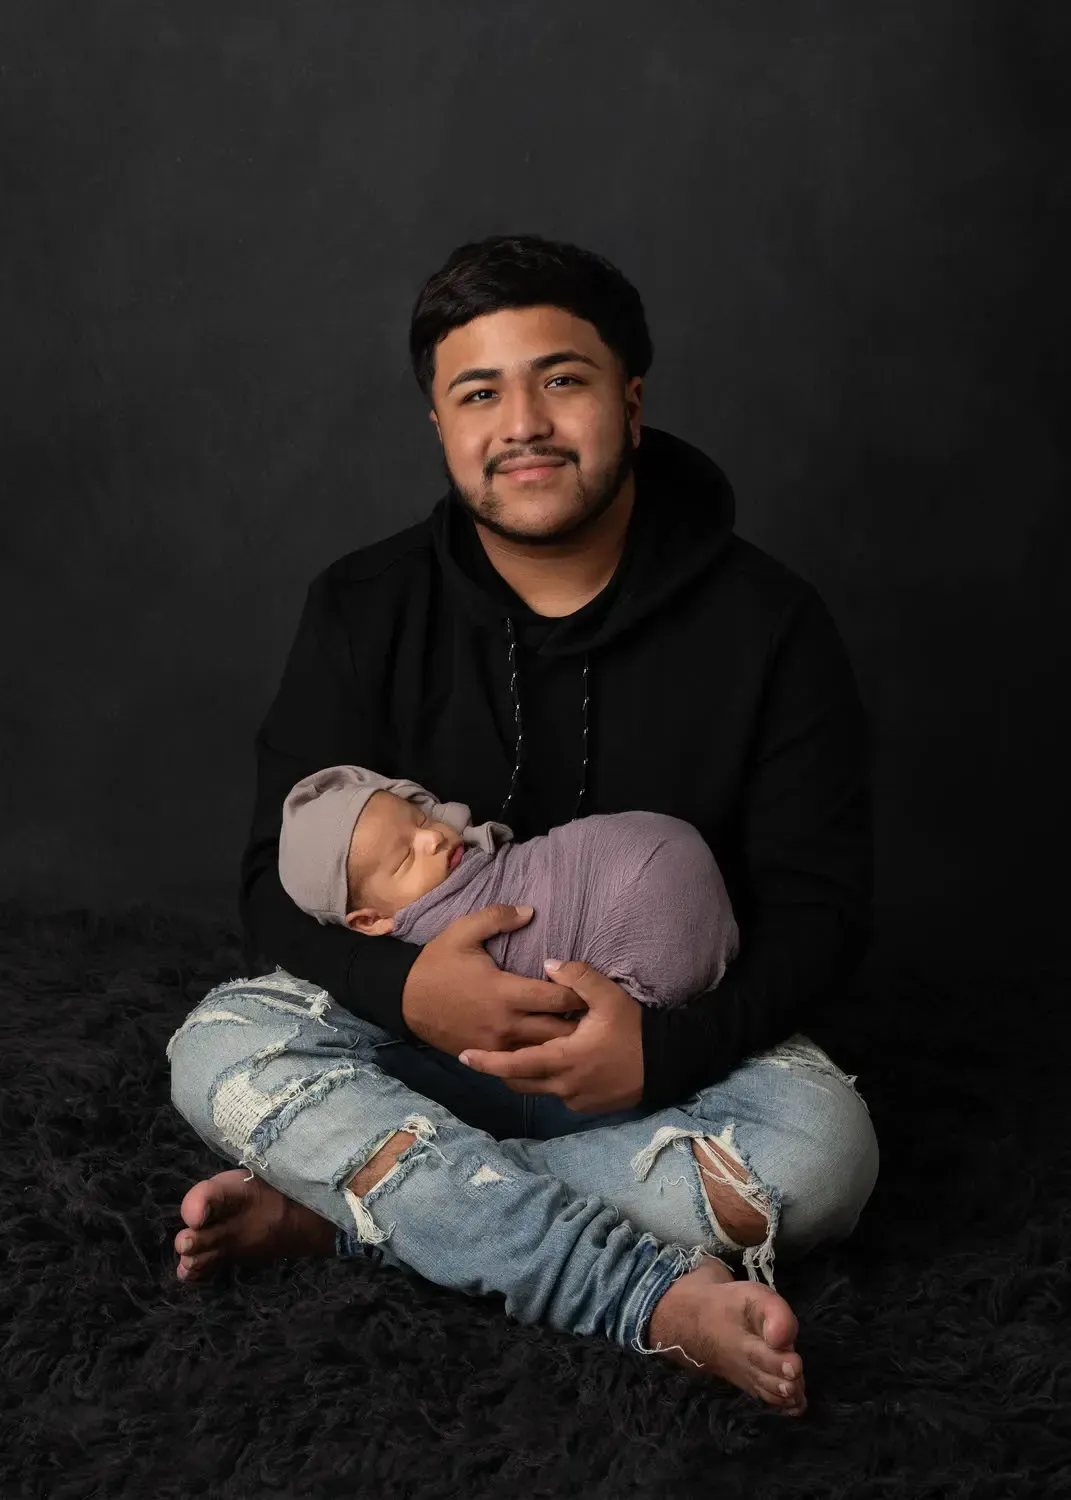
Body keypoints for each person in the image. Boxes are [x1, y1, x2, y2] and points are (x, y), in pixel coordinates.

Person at [168, 233, 880, 1417]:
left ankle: (358, 1211)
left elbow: (823, 913)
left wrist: (666, 1052)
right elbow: (263, 883)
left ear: (631, 402)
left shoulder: (773, 624)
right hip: (412, 1045)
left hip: (667, 1056)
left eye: (564, 378)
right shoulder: (360, 607)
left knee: (828, 1155)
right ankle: (643, 1292)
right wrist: (410, 998)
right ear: (440, 425)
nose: (525, 422)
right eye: (479, 391)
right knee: (214, 1044)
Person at [276, 763, 740, 1007]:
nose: (433, 837)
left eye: (420, 819)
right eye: (405, 857)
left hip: (650, 869)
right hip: (659, 889)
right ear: (371, 920)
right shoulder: (427, 931)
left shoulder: (468, 859)